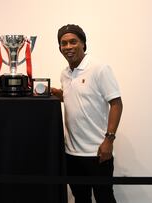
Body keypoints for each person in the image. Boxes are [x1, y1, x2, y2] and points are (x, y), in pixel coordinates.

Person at [51, 24, 123, 203]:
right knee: (81, 199)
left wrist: (109, 140)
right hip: (72, 153)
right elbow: (75, 97)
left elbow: (116, 104)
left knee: (104, 198)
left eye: (73, 42)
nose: (68, 47)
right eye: (63, 43)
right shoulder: (65, 73)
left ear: (83, 43)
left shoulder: (100, 68)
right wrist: (55, 93)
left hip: (98, 152)